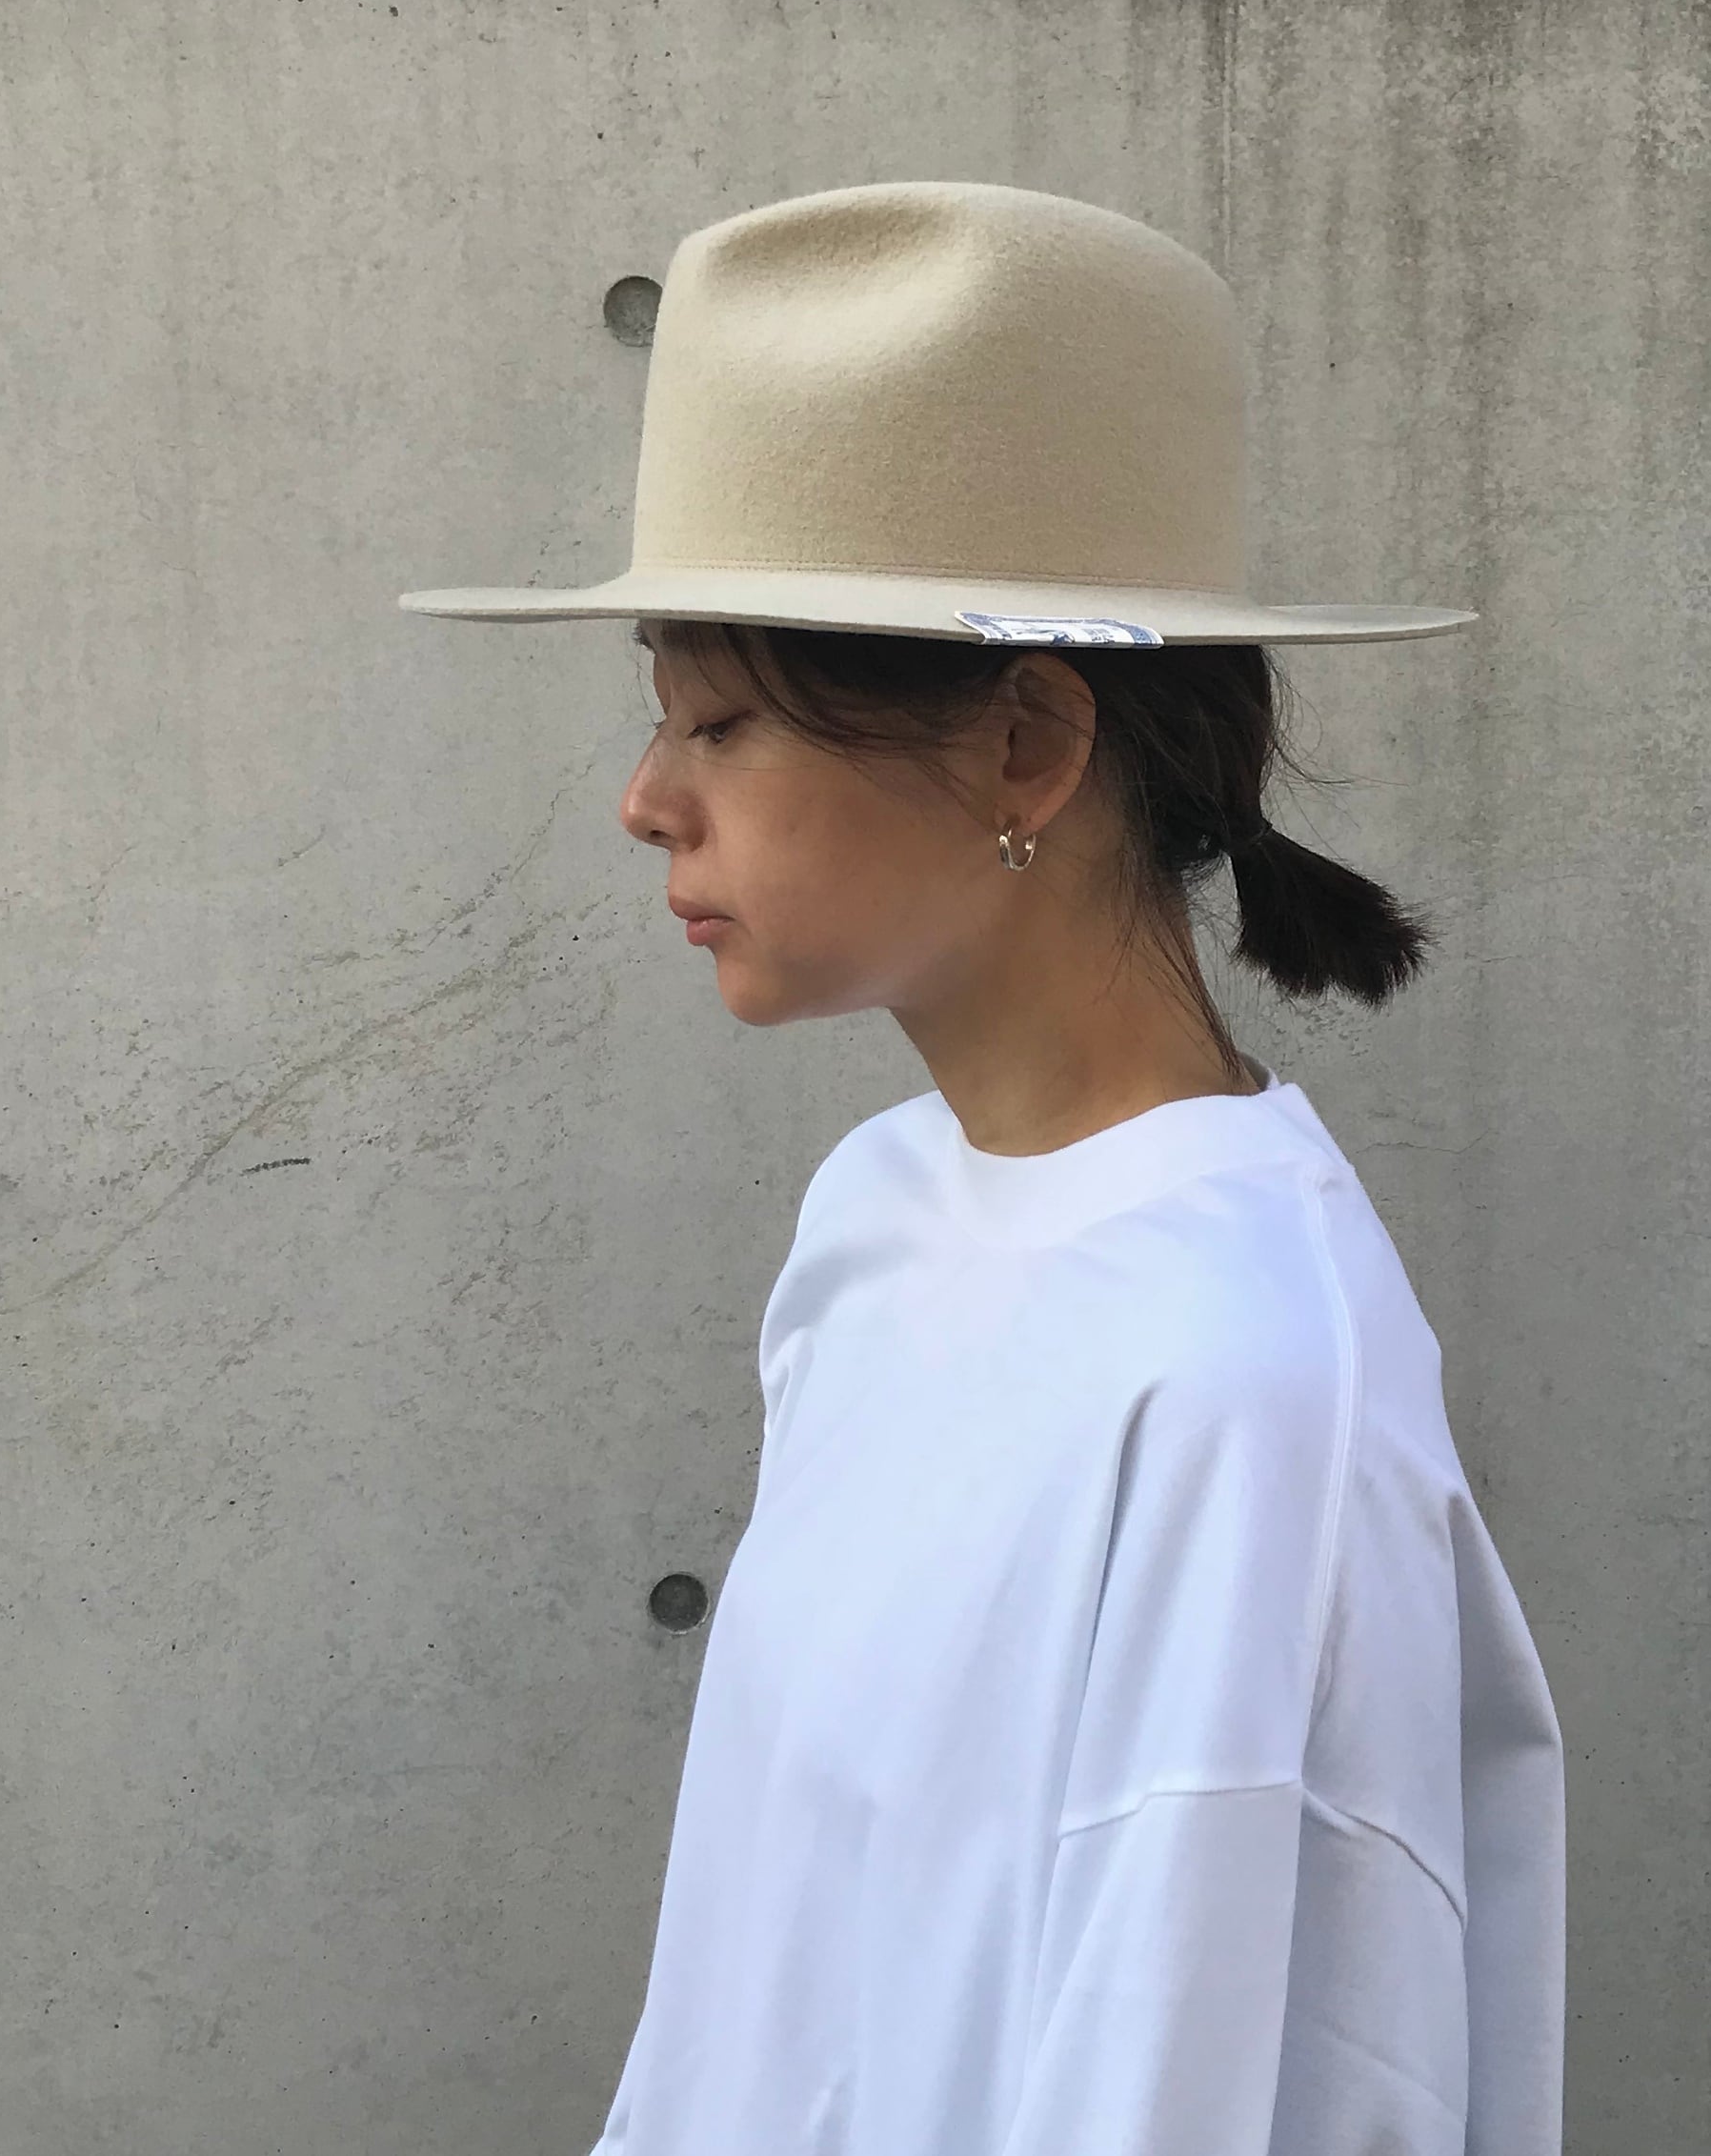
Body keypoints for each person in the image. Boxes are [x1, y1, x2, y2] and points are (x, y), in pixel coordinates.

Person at [400, 181, 1565, 2156]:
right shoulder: (881, 1212)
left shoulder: (1234, 1384)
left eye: (722, 718)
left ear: (1024, 743)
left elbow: (1224, 2076)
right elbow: (772, 1968)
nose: (644, 798)